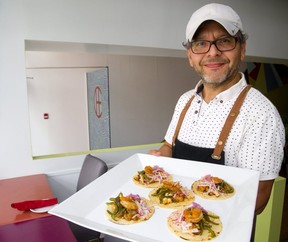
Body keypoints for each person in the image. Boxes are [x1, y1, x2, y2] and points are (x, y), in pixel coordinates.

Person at [149, 3, 285, 217]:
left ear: (242, 49)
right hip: (171, 221)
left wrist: (198, 221)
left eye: (224, 41)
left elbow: (258, 198)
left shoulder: (261, 114)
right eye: (201, 43)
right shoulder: (184, 101)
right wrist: (159, 158)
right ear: (190, 55)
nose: (213, 52)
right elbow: (169, 146)